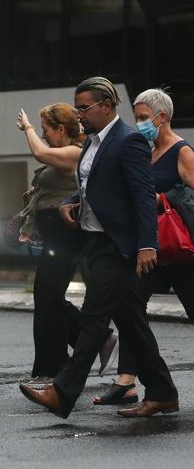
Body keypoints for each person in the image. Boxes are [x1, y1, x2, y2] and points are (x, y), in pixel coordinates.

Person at [19, 76, 179, 418]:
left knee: (92, 319)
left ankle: (63, 392)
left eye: (84, 107)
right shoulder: (92, 143)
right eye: (77, 108)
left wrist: (147, 246)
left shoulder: (129, 140)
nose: (79, 114)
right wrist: (72, 199)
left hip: (117, 246)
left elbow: (140, 194)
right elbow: (95, 184)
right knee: (132, 321)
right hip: (95, 241)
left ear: (107, 106)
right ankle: (163, 391)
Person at [94, 88, 194, 406]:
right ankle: (127, 382)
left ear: (160, 117)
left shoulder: (182, 152)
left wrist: (163, 200)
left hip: (180, 250)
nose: (138, 124)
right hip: (151, 249)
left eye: (141, 117)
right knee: (130, 309)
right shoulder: (146, 153)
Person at [15, 104, 118, 388]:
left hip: (67, 236)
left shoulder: (76, 151)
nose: (44, 134)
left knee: (47, 295)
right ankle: (94, 340)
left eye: (47, 128)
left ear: (61, 129)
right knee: (48, 297)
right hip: (55, 238)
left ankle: (56, 367)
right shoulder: (65, 155)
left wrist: (28, 128)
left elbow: (40, 153)